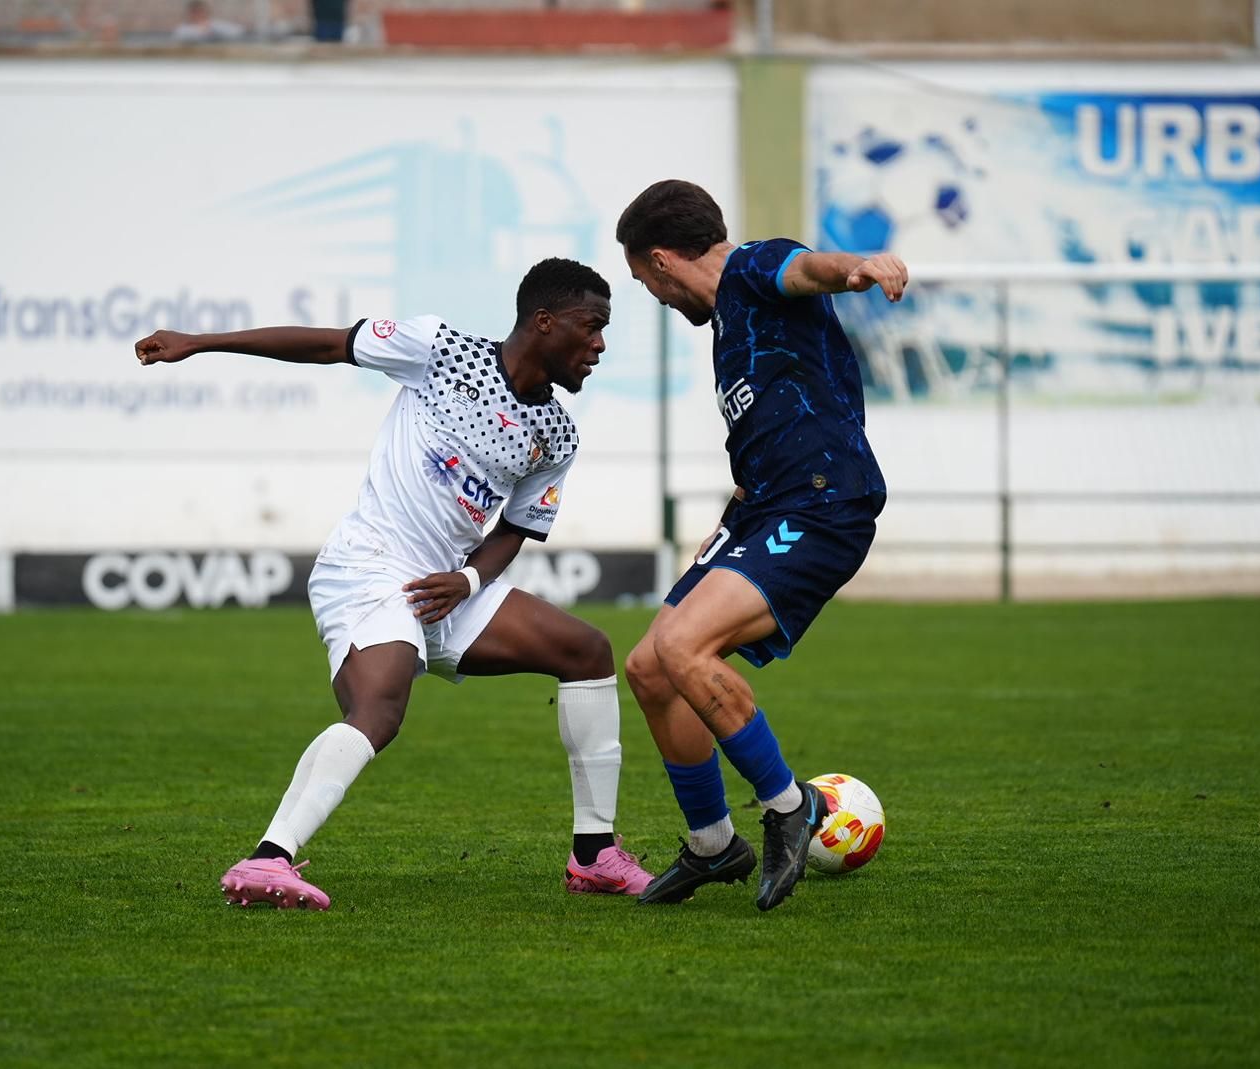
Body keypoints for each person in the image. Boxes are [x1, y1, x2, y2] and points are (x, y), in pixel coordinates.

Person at [134, 259, 653, 910]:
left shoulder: (557, 434)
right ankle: (269, 857)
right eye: (592, 326)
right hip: (373, 565)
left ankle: (594, 854)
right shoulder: (438, 348)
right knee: (380, 709)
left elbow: (515, 530)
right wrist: (201, 343)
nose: (601, 344)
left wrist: (467, 581)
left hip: (445, 588)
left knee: (587, 652)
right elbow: (327, 345)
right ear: (545, 323)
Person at [614, 179, 908, 911]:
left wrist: (856, 267)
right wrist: (728, 517)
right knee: (651, 667)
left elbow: (804, 267)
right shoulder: (730, 327)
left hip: (822, 501)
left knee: (684, 645)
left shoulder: (750, 267)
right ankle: (715, 847)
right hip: (765, 507)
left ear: (660, 261)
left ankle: (790, 807)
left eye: (644, 280)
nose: (653, 296)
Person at [173, 0, 245, 42]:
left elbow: (238, 31)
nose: (198, 15)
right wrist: (201, 30)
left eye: (201, 12)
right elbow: (180, 36)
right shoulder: (184, 29)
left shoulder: (214, 24)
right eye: (195, 12)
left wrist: (211, 28)